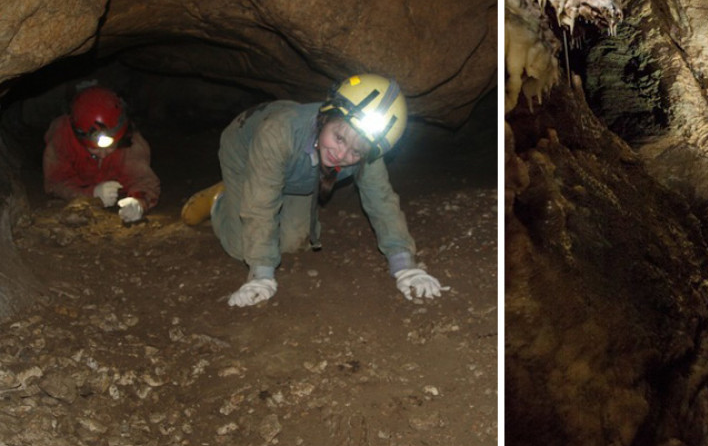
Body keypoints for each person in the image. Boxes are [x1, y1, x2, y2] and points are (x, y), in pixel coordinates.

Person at [181, 73, 445, 308]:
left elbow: (381, 200)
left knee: (294, 243)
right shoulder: (278, 133)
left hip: (298, 167)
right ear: (326, 116)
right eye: (339, 138)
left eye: (355, 151)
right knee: (245, 247)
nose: (341, 154)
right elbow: (261, 206)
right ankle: (220, 200)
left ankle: (261, 190)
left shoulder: (364, 152)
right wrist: (261, 275)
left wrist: (405, 266)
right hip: (247, 151)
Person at [43, 84, 160, 224]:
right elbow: (55, 183)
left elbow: (144, 180)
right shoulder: (62, 137)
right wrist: (91, 195)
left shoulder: (130, 145)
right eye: (95, 149)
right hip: (82, 186)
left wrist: (138, 202)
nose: (103, 154)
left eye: (110, 147)